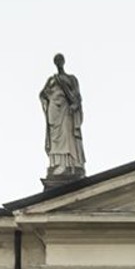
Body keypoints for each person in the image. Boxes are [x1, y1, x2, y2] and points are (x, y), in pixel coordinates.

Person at [40, 54, 85, 183]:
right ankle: (57, 163)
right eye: (56, 61)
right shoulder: (51, 80)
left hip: (65, 109)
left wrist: (75, 104)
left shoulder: (71, 78)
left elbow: (77, 95)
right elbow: (43, 94)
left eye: (60, 60)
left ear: (63, 62)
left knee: (67, 134)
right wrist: (47, 96)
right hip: (54, 109)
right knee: (56, 137)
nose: (58, 63)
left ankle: (70, 164)